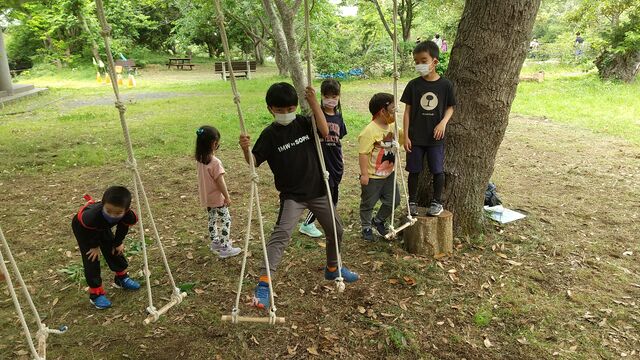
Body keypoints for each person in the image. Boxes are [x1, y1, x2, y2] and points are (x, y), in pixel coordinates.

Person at [239, 82, 359, 310]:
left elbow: (325, 131)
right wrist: (245, 149)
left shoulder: (305, 123)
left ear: (296, 107)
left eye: (290, 109)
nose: (285, 114)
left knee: (337, 229)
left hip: (317, 190)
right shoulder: (269, 135)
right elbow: (254, 163)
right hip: (292, 196)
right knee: (281, 234)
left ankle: (333, 268)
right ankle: (264, 284)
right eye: (279, 110)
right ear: (270, 109)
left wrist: (313, 102)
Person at [401, 40, 456, 217]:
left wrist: (443, 123)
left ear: (435, 62)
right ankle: (412, 201)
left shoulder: (445, 85)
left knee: (437, 170)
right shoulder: (413, 85)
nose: (420, 65)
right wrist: (406, 136)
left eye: (424, 61)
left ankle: (437, 202)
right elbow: (407, 112)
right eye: (416, 62)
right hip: (415, 137)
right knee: (414, 170)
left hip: (435, 138)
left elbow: (450, 107)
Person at [71, 186, 141, 309]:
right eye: (108, 211)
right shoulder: (91, 217)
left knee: (113, 248)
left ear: (126, 210)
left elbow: (123, 227)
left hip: (101, 226)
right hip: (85, 230)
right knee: (92, 257)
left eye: (118, 213)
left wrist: (118, 242)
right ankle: (96, 294)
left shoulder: (127, 215)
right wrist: (94, 246)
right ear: (102, 204)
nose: (113, 215)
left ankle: (121, 278)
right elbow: (90, 232)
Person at [298, 79, 347, 238]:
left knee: (334, 196)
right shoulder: (316, 115)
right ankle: (307, 224)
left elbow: (339, 138)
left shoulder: (339, 117)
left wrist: (342, 158)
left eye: (335, 96)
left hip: (335, 160)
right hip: (321, 161)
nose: (331, 99)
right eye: (327, 96)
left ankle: (324, 221)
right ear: (322, 96)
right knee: (327, 195)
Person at [358, 93, 404, 241]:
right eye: (392, 109)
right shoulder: (369, 131)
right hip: (373, 176)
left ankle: (377, 221)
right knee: (368, 203)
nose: (394, 112)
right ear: (382, 111)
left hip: (389, 174)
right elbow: (363, 154)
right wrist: (364, 174)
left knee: (394, 200)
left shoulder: (393, 127)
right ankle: (366, 226)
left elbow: (405, 136)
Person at [195, 125, 241, 258]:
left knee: (212, 218)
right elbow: (220, 182)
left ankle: (215, 242)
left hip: (207, 197)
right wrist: (227, 197)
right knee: (226, 220)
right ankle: (225, 247)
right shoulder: (215, 162)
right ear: (213, 143)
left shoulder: (199, 159)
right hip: (217, 198)